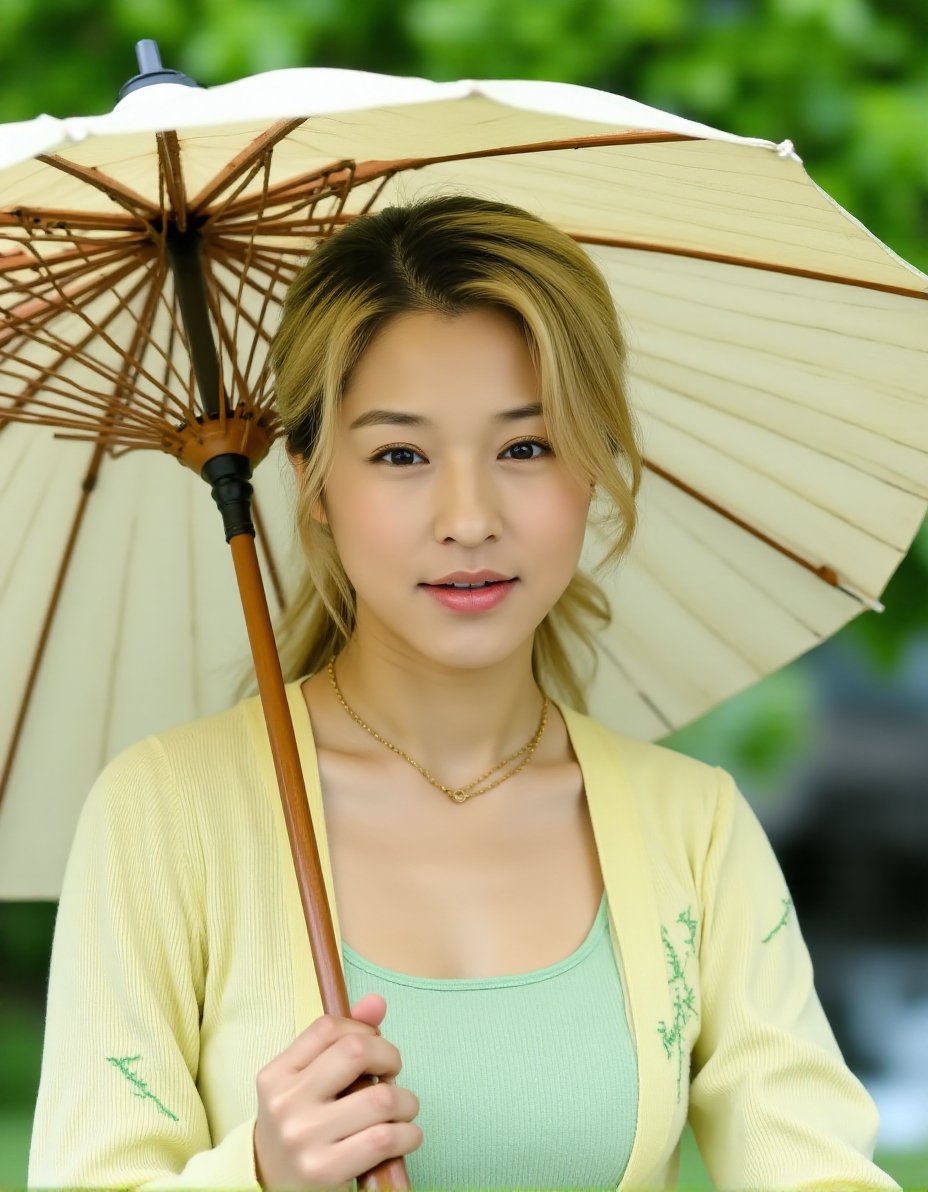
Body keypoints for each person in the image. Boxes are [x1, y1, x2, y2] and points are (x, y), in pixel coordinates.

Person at [28, 195, 899, 1191]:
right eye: (400, 454)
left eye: (524, 446)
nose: (469, 516)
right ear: (313, 481)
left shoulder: (691, 829)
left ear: (597, 463)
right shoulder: (163, 814)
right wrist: (262, 1175)